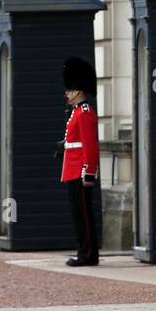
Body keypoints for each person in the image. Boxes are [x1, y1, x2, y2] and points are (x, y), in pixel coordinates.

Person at [61, 56, 100, 267]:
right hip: (72, 169)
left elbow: (90, 145)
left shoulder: (85, 113)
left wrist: (89, 172)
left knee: (84, 215)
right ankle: (84, 251)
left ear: (78, 90)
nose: (66, 92)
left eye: (69, 88)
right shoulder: (76, 112)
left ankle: (88, 254)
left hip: (80, 171)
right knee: (79, 215)